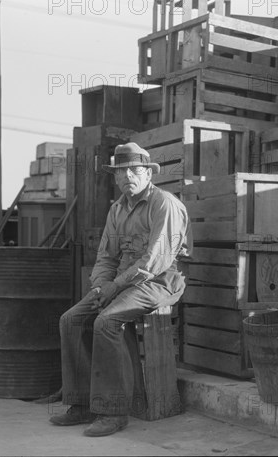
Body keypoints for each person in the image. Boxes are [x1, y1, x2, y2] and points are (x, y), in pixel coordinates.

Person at [50, 142, 192, 437]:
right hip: (122, 282)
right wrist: (100, 287)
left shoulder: (164, 204)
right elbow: (106, 257)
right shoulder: (117, 209)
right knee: (71, 320)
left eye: (134, 170)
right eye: (121, 171)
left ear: (148, 173)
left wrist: (114, 287)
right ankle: (82, 404)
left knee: (107, 322)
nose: (128, 176)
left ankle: (114, 412)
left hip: (160, 280)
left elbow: (155, 260)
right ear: (114, 178)